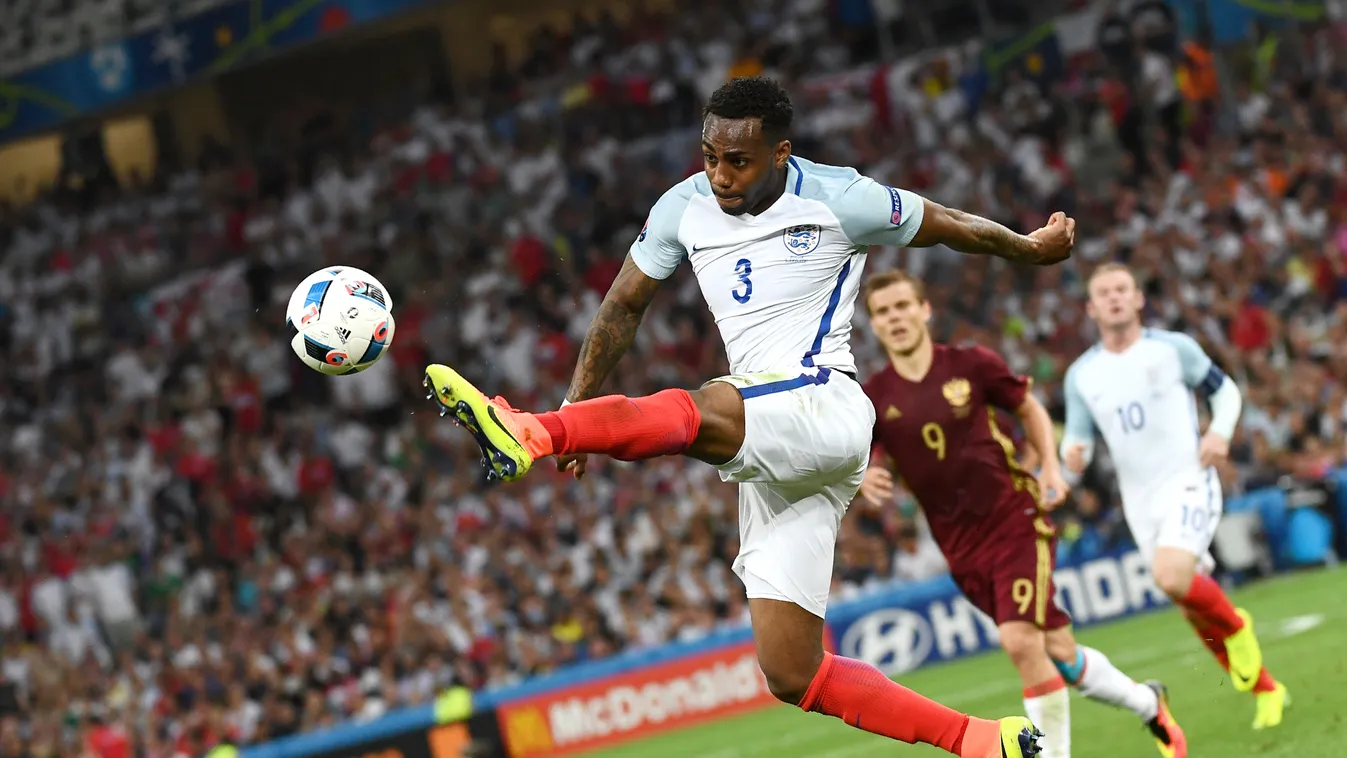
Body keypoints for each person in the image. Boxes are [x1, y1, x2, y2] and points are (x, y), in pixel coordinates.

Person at [424, 76, 1073, 758]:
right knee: (792, 672)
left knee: (708, 405)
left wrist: (1028, 249)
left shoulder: (837, 196)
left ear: (780, 154)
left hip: (822, 403)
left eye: (738, 160)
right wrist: (575, 408)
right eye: (709, 155)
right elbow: (621, 307)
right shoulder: (681, 208)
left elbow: (948, 225)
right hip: (777, 454)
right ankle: (981, 742)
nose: (719, 173)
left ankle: (524, 431)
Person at [857, 270, 1186, 758]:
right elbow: (862, 451)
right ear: (874, 325)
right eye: (883, 312)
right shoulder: (874, 397)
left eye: (903, 306)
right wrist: (865, 475)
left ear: (924, 310)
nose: (895, 318)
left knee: (1019, 641)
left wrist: (1050, 465)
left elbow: (1027, 407)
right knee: (1059, 651)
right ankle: (1147, 703)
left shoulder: (970, 364)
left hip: (1014, 519)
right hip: (959, 546)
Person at [1061, 263, 1288, 731]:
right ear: (1091, 307)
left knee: (1171, 576)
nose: (1115, 298)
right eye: (1104, 293)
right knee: (1189, 604)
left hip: (1189, 477)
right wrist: (1073, 454)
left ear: (1139, 298)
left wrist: (1221, 433)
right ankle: (1268, 689)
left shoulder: (1173, 349)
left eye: (1122, 289)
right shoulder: (1082, 375)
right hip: (1140, 501)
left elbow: (1225, 393)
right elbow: (1076, 440)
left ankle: (1240, 627)